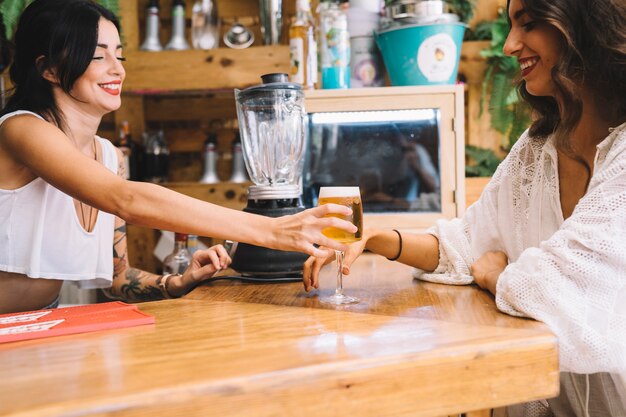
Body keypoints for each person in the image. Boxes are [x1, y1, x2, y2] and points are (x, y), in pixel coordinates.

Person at [303, 0, 626, 415]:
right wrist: (376, 239)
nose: (510, 45)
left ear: (583, 24)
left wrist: (495, 274)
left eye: (527, 24)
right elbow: (468, 242)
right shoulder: (534, 149)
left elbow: (557, 288)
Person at [0, 0, 357, 315]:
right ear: (49, 69)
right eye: (97, 55)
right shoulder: (20, 129)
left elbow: (118, 278)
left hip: (42, 320)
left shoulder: (109, 158)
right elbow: (125, 199)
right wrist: (273, 229)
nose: (118, 69)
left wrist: (177, 281)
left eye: (119, 54)